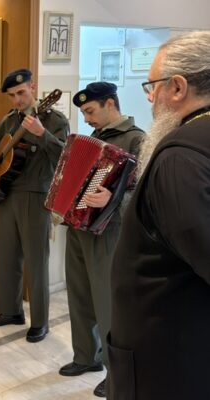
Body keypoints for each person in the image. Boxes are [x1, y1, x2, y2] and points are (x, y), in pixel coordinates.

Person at [107, 31, 210, 400]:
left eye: (153, 86)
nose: (150, 98)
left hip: (168, 358)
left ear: (178, 87)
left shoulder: (180, 159)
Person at [60, 82, 144, 398]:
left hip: (109, 232)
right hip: (78, 227)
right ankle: (85, 356)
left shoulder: (137, 140)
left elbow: (143, 191)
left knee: (107, 304)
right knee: (79, 295)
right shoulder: (93, 139)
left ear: (110, 103)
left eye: (90, 111)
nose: (87, 118)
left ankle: (115, 372)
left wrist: (113, 199)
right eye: (83, 113)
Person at [0, 69, 68, 343]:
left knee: (36, 261)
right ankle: (10, 311)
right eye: (12, 96)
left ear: (33, 88)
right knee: (7, 256)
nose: (17, 100)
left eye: (21, 93)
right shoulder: (9, 119)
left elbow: (65, 157)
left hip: (35, 194)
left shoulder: (54, 119)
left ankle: (40, 322)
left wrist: (42, 134)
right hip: (7, 193)